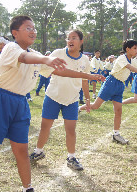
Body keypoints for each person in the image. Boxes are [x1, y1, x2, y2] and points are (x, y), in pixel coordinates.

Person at [0, 15, 69, 192]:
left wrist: (89, 76)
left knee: (21, 150)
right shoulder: (11, 48)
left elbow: (60, 71)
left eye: (34, 28)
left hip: (20, 102)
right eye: (28, 28)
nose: (33, 31)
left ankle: (27, 188)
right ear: (15, 33)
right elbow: (23, 58)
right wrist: (46, 59)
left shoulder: (35, 55)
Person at [30, 29, 105, 171]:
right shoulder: (58, 53)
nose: (70, 40)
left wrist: (87, 99)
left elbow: (84, 80)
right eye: (68, 38)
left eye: (74, 38)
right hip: (53, 96)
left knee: (71, 130)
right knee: (45, 126)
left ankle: (71, 157)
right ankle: (38, 151)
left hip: (72, 99)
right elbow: (50, 70)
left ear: (81, 41)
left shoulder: (85, 60)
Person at [79, 40, 137, 144]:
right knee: (96, 106)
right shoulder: (122, 58)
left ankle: (116, 134)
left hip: (120, 85)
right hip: (111, 82)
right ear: (128, 49)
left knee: (118, 110)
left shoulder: (132, 60)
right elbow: (130, 68)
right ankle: (78, 109)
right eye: (135, 48)